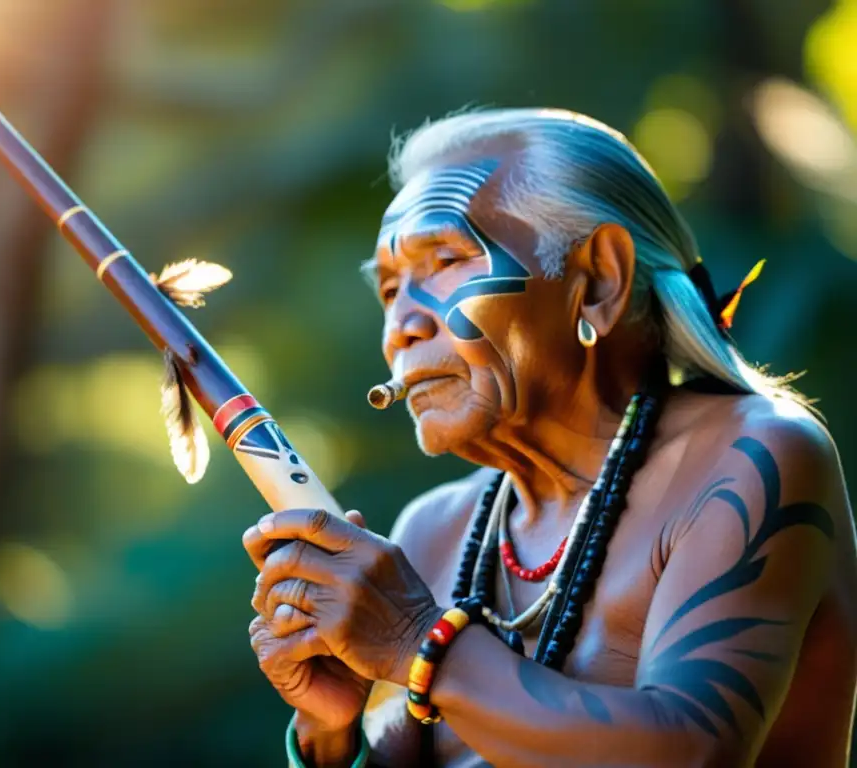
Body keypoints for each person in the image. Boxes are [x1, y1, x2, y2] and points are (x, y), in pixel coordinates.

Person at [241, 109, 857, 767]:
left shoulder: (752, 457)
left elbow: (693, 753)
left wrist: (419, 640)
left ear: (598, 282)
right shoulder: (434, 533)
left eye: (445, 259)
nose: (403, 326)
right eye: (390, 290)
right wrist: (330, 736)